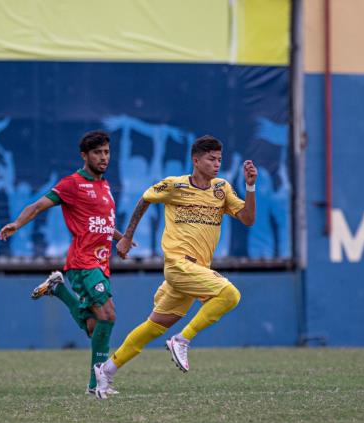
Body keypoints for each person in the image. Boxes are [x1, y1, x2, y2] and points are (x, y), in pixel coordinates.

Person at [93, 135, 258, 399]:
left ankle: (106, 371)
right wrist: (126, 236)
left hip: (196, 272)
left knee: (154, 326)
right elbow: (145, 199)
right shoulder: (175, 185)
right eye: (211, 159)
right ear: (196, 160)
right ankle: (182, 339)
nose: (217, 164)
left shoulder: (222, 189)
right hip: (179, 265)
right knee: (230, 295)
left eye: (219, 159)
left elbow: (248, 219)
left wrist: (250, 187)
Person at [0, 130, 133, 395]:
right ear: (84, 156)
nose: (104, 157)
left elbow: (103, 222)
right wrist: (17, 223)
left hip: (101, 263)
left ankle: (58, 290)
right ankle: (97, 384)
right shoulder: (72, 184)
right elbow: (37, 206)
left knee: (94, 327)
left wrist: (122, 237)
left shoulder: (105, 186)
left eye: (106, 152)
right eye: (97, 153)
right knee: (108, 316)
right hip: (83, 263)